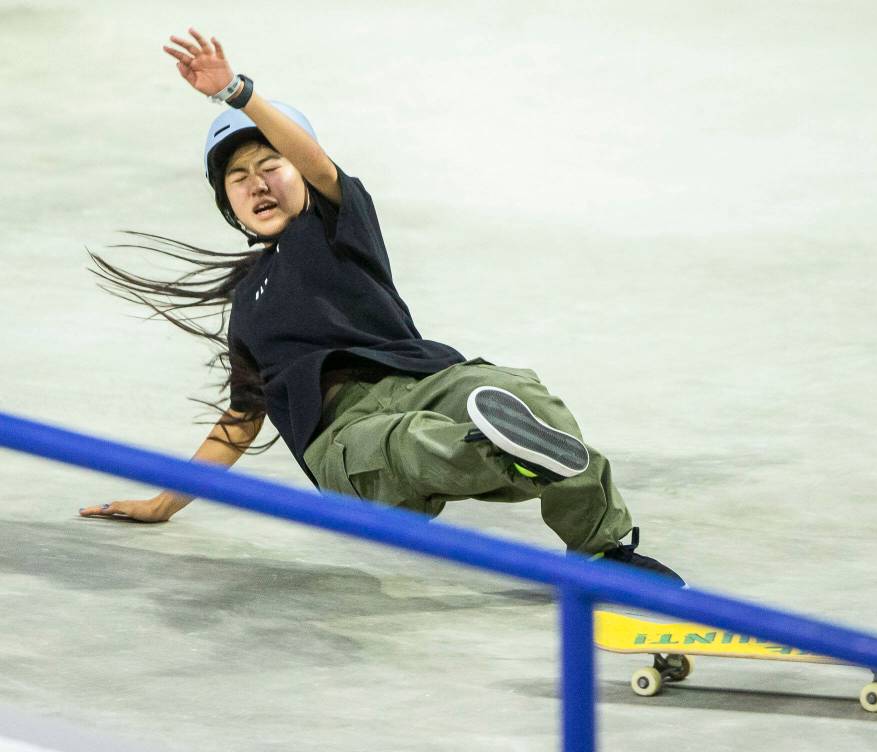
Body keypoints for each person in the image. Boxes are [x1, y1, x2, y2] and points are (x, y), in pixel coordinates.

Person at [79, 27, 684, 585]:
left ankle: (600, 547)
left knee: (522, 391)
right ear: (227, 203)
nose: (258, 182)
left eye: (271, 165)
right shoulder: (248, 306)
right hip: (344, 436)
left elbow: (319, 164)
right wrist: (164, 502)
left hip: (425, 379)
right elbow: (241, 422)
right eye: (239, 178)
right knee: (411, 442)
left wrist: (239, 95)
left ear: (303, 171)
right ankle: (508, 453)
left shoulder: (339, 227)